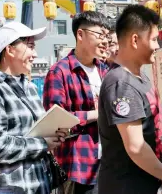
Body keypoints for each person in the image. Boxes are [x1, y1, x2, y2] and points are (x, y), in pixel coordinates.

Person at [0, 22, 67, 194]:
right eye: (30, 47)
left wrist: (53, 134)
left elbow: (36, 132)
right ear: (10, 50)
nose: (34, 54)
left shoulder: (29, 87)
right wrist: (42, 143)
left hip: (38, 185)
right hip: (7, 188)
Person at [97, 5, 162, 194]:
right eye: (154, 39)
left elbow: (156, 128)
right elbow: (136, 147)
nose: (158, 46)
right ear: (135, 40)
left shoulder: (140, 77)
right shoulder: (121, 84)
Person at [43, 11, 110, 194]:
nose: (105, 41)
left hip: (110, 164)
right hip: (80, 166)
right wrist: (93, 114)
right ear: (80, 34)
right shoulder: (60, 72)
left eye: (107, 36)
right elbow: (55, 122)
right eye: (100, 35)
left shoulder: (106, 70)